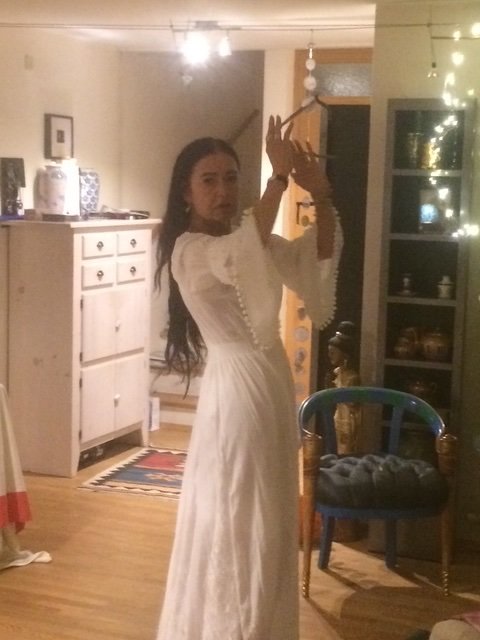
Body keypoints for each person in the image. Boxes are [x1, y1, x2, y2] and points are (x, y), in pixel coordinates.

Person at [154, 114, 343, 640]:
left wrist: (322, 196)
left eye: (231, 178)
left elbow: (314, 257)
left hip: (270, 381)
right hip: (237, 392)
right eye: (209, 180)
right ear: (186, 193)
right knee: (241, 514)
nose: (223, 191)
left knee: (268, 513)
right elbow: (238, 256)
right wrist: (277, 180)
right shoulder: (189, 251)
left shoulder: (247, 239)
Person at [325, 320, 362, 454]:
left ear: (345, 355)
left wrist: (338, 392)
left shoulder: (352, 378)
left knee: (346, 449)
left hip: (348, 419)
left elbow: (353, 402)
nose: (330, 355)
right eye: (329, 352)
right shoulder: (337, 373)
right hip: (339, 416)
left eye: (333, 352)